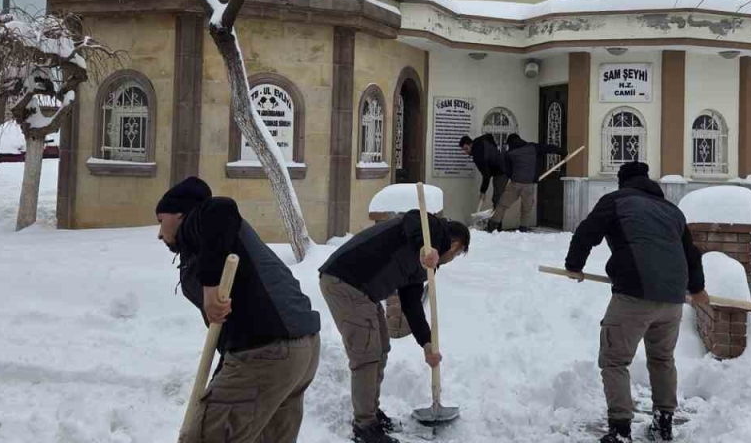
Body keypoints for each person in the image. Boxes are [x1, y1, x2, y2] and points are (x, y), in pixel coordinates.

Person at [155, 177, 322, 443]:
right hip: (298, 349)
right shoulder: (214, 242)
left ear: (179, 215)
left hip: (268, 350)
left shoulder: (202, 221)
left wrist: (209, 287)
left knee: (205, 437)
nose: (159, 232)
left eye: (160, 221)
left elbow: (220, 208)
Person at [564, 161, 709, 443]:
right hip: (672, 299)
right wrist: (698, 288)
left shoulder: (616, 201)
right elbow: (691, 253)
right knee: (662, 358)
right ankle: (663, 425)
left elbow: (586, 232)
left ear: (622, 182)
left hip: (633, 294)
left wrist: (574, 265)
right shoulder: (673, 211)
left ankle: (620, 431)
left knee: (615, 361)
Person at [319, 210, 471, 443]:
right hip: (344, 282)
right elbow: (411, 218)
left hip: (364, 292)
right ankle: (365, 427)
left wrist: (427, 343)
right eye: (459, 253)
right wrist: (424, 247)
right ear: (456, 245)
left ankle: (371, 413)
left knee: (380, 348)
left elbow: (411, 303)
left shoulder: (426, 265)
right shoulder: (431, 228)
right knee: (367, 355)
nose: (454, 258)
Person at [488, 133, 564, 232]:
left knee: (502, 204)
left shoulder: (509, 153)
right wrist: (562, 152)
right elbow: (549, 148)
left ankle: (492, 226)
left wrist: (514, 176)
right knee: (526, 209)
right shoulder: (533, 147)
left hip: (515, 183)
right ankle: (523, 229)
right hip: (529, 184)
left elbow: (507, 169)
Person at [459, 134, 506, 213]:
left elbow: (486, 175)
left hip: (501, 171)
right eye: (464, 150)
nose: (466, 152)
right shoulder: (478, 140)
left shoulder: (478, 156)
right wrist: (495, 151)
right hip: (499, 168)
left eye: (466, 149)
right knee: (497, 198)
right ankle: (496, 221)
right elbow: (489, 135)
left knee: (497, 198)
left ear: (471, 144)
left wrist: (483, 192)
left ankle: (496, 223)